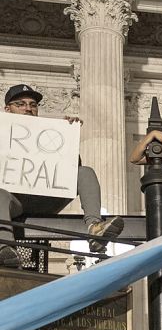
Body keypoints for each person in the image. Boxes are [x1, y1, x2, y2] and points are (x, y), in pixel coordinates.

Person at [1, 84, 123, 267]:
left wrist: (68, 136)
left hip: (46, 198)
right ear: (7, 109)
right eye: (20, 104)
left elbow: (69, 169)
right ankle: (5, 247)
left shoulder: (49, 134)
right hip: (12, 202)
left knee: (85, 172)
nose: (28, 108)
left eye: (33, 104)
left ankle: (95, 228)